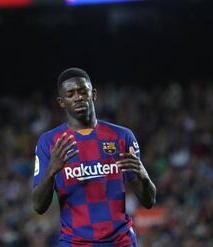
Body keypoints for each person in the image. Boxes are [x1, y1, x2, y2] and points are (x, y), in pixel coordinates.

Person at [32, 68, 156, 247]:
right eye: (70, 94)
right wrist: (51, 170)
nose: (78, 97)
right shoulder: (49, 142)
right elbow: (38, 206)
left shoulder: (122, 136)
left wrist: (144, 177)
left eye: (83, 91)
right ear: (61, 102)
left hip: (120, 242)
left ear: (93, 94)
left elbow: (149, 202)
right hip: (75, 243)